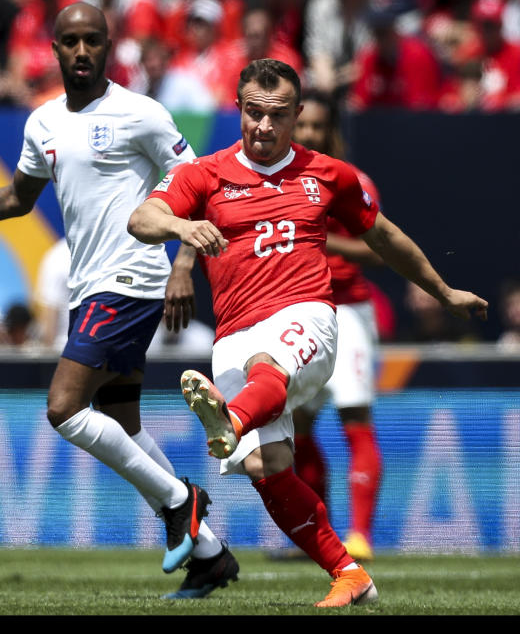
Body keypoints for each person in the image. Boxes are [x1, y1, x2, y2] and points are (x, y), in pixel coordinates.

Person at [0, 2, 236, 599]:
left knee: (63, 409)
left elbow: (201, 188)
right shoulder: (42, 123)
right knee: (122, 424)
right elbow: (16, 198)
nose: (81, 51)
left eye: (92, 41)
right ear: (52, 50)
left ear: (110, 47)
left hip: (131, 282)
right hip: (88, 288)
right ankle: (208, 553)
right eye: (70, 41)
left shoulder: (142, 114)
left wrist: (184, 264)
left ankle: (183, 502)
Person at [128, 58, 487, 607]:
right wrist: (182, 225)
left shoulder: (329, 174)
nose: (263, 127)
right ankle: (349, 574)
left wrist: (443, 292)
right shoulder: (205, 173)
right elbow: (142, 218)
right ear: (240, 110)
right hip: (233, 334)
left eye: (277, 116)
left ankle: (231, 415)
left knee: (269, 366)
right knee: (265, 467)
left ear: (297, 116)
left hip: (308, 316)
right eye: (253, 113)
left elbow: (387, 239)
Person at [285, 90, 383, 562]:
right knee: (298, 425)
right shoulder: (278, 184)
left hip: (347, 311)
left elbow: (379, 247)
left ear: (331, 131)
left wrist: (323, 244)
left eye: (317, 127)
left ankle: (359, 534)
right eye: (302, 127)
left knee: (354, 419)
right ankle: (316, 538)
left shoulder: (349, 181)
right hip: (300, 312)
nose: (308, 135)